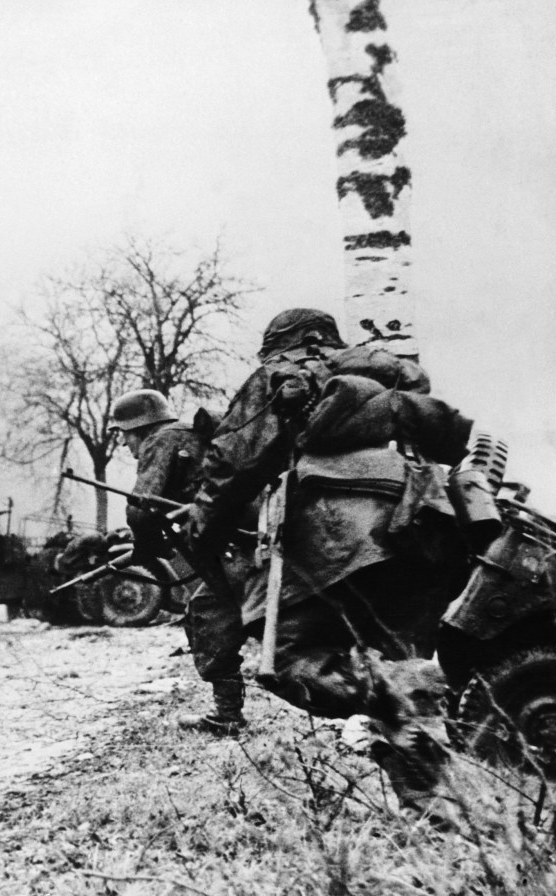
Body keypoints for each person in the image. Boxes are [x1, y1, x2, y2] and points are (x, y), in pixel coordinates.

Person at [182, 308, 473, 820]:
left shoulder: (283, 373)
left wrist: (201, 530)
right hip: (427, 526)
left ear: (284, 343)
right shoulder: (391, 375)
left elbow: (233, 463)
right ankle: (433, 811)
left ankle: (405, 694)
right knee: (396, 661)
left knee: (288, 657)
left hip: (342, 534)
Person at [109, 389, 250, 736]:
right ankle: (228, 714)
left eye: (125, 435)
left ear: (139, 428)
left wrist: (145, 546)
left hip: (235, 548)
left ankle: (229, 716)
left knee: (207, 614)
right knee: (209, 610)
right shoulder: (193, 437)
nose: (125, 444)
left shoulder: (160, 440)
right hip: (244, 540)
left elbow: (140, 508)